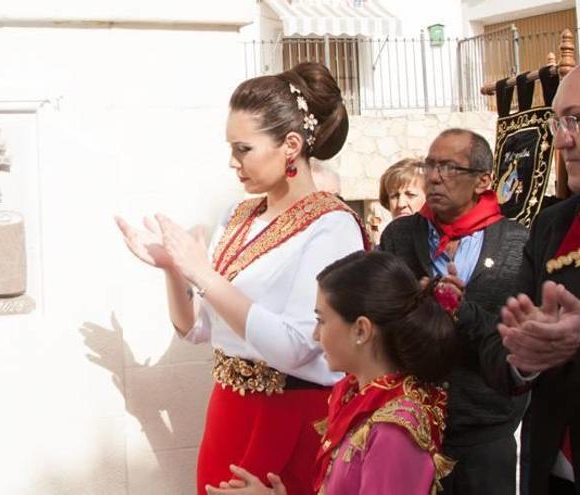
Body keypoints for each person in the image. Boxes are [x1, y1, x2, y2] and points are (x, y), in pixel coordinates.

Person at [116, 62, 367, 495]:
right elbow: (195, 327)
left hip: (289, 417)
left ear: (291, 145)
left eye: (243, 149)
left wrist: (206, 276)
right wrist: (175, 270)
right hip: (228, 412)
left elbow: (295, 346)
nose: (233, 163)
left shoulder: (333, 226)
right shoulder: (239, 216)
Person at [205, 250, 457, 495]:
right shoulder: (357, 397)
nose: (316, 335)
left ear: (361, 330)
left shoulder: (394, 432)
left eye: (322, 320)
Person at [379, 128, 529, 494]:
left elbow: (517, 337)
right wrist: (419, 306)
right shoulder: (399, 237)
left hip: (485, 431)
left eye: (449, 167)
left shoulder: (517, 243)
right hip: (410, 427)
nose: (434, 176)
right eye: (430, 165)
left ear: (483, 181)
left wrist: (461, 311)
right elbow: (382, 317)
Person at [477, 65, 580, 494]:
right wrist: (525, 356)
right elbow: (499, 347)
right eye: (559, 121)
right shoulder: (551, 226)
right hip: (551, 471)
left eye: (575, 119)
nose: (561, 139)